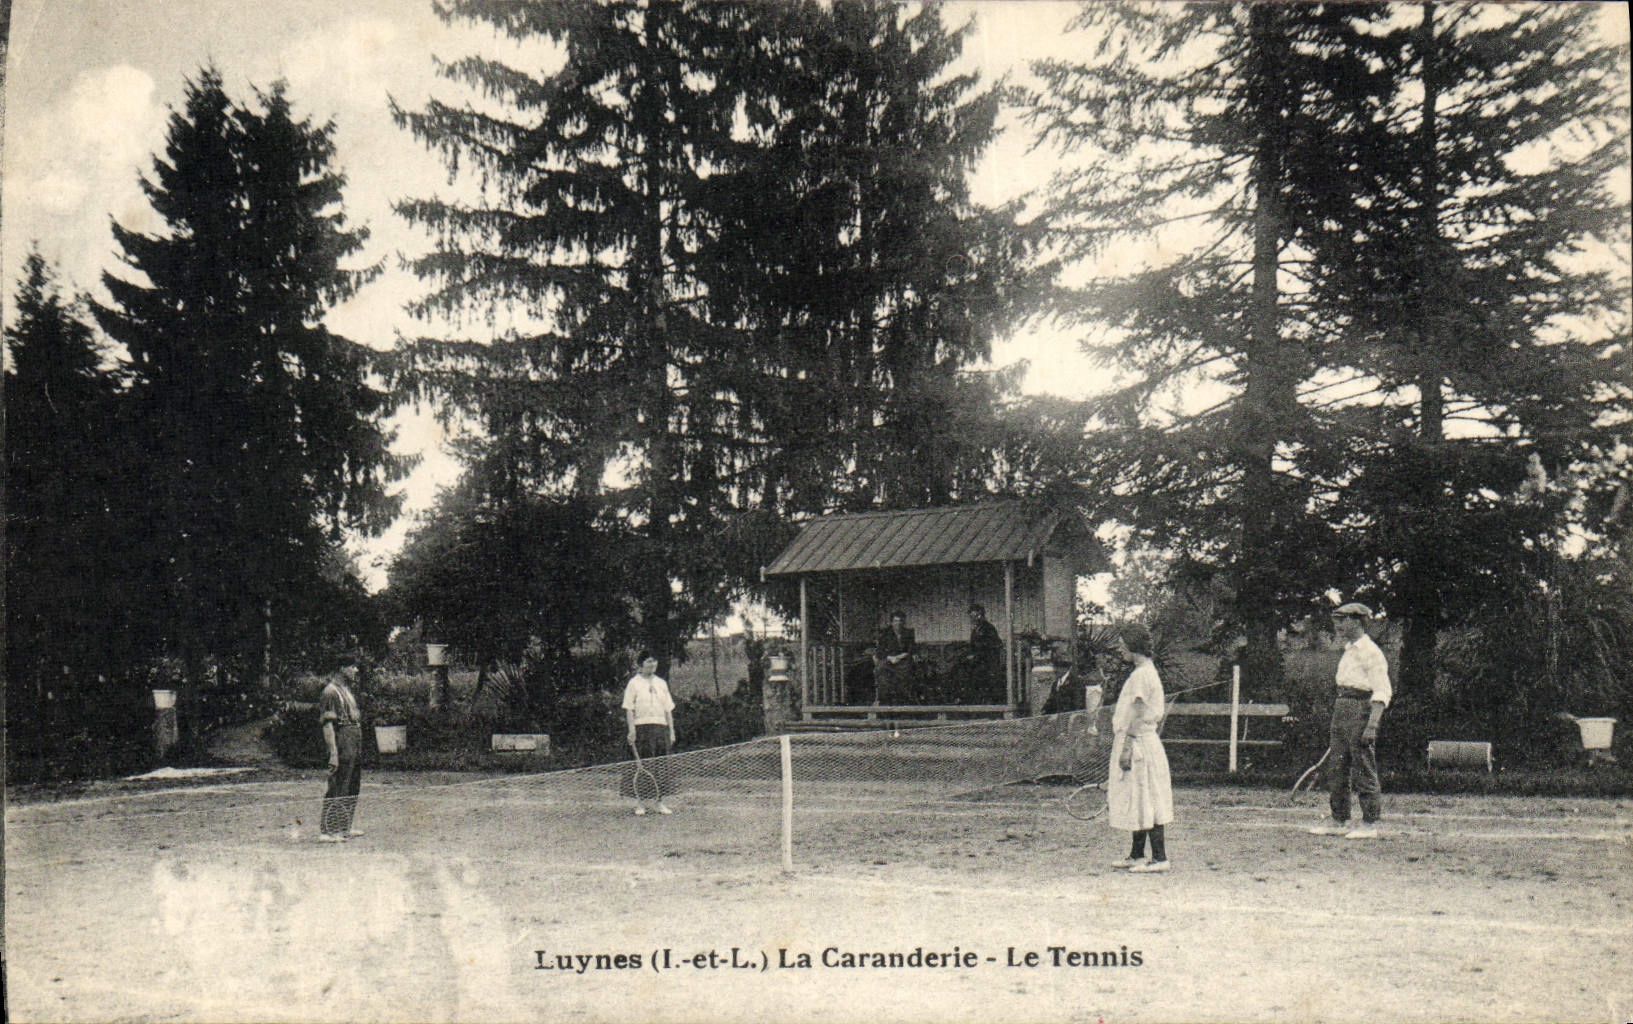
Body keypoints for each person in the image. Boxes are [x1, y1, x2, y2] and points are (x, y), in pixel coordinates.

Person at [1309, 602, 1392, 839]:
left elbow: (1382, 691)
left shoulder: (1371, 652)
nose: (1338, 625)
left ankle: (1369, 823)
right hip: (1342, 707)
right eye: (1337, 620)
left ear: (1357, 621)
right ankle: (1339, 819)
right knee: (1337, 766)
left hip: (1361, 709)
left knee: (1363, 766)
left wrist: (1372, 724)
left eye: (1343, 619)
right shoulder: (1348, 650)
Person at [1106, 623, 1173, 873]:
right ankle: (1136, 855)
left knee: (1149, 798)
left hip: (1139, 743)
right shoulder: (1143, 672)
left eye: (1123, 644)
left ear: (1134, 645)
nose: (1120, 649)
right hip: (1139, 741)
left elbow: (1139, 712)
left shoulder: (1142, 675)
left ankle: (1160, 859)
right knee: (1139, 797)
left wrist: (1127, 747)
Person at [622, 652, 676, 816]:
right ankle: (640, 804)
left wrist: (671, 731)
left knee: (661, 767)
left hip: (661, 727)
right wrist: (632, 730)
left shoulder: (661, 683)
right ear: (641, 664)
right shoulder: (634, 683)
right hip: (642, 729)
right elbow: (629, 709)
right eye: (648, 662)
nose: (652, 665)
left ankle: (660, 803)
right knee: (642, 766)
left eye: (654, 661)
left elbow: (668, 709)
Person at [318, 662, 365, 843]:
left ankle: (344, 826)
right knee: (339, 783)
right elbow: (327, 725)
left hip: (353, 738)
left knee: (352, 783)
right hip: (342, 739)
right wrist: (333, 753)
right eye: (352, 666)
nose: (355, 670)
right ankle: (328, 830)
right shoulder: (330, 692)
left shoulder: (346, 690)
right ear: (342, 668)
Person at [964, 604, 1005, 703]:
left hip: (987, 662)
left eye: (975, 616)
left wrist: (977, 654)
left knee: (987, 683)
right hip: (979, 661)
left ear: (981, 615)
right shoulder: (976, 630)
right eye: (971, 617)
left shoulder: (988, 628)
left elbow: (993, 645)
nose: (973, 619)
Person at [873, 611, 917, 705]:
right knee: (881, 669)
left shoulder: (908, 633)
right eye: (896, 621)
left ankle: (904, 698)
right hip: (889, 659)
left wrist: (901, 656)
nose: (898, 623)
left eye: (901, 621)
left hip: (903, 659)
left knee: (907, 670)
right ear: (892, 622)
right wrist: (890, 658)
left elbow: (912, 648)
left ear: (904, 622)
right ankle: (884, 699)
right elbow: (880, 650)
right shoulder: (885, 633)